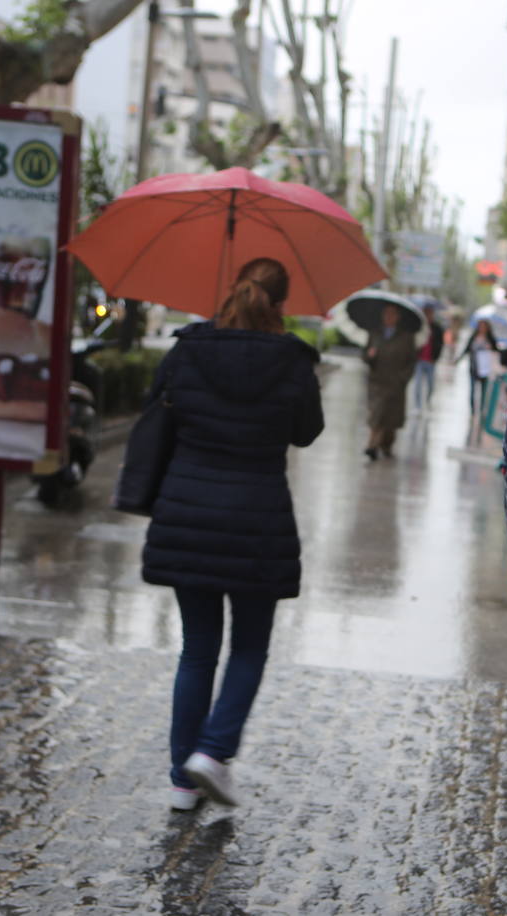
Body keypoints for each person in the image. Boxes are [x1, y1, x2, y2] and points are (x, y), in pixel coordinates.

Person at [119, 257, 324, 810]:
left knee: (198, 649)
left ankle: (183, 782)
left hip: (188, 514)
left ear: (234, 291)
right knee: (250, 645)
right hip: (258, 518)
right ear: (280, 304)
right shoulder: (293, 361)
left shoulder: (188, 350)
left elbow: (158, 409)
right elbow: (307, 432)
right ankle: (212, 751)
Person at [363, 303, 416, 460]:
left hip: (395, 383)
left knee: (390, 419)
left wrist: (403, 379)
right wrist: (369, 356)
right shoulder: (375, 334)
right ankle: (372, 445)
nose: (388, 317)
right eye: (386, 314)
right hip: (377, 382)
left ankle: (386, 445)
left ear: (398, 317)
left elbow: (412, 362)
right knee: (377, 414)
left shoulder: (406, 337)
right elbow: (365, 356)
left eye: (392, 314)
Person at [456, 318, 499, 416]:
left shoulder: (490, 339)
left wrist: (491, 349)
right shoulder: (474, 337)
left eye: (484, 326)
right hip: (474, 367)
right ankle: (472, 410)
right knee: (472, 390)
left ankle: (481, 409)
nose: (482, 328)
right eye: (481, 326)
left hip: (485, 369)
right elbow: (467, 349)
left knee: (483, 391)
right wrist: (458, 359)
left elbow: (496, 351)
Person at [412, 304, 445, 410]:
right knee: (417, 384)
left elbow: (440, 344)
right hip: (419, 360)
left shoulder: (437, 328)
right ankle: (417, 405)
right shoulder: (418, 327)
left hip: (431, 360)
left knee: (431, 384)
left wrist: (435, 358)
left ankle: (427, 400)